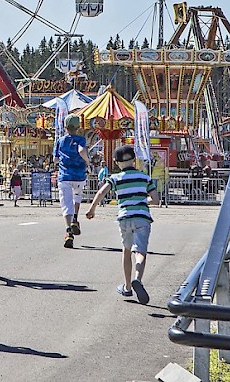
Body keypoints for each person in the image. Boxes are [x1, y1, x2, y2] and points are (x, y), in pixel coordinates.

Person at [86, 144, 159, 304]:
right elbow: (156, 200)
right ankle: (137, 279)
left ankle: (127, 287)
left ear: (116, 162)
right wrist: (142, 200)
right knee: (140, 252)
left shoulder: (115, 178)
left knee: (126, 251)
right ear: (134, 160)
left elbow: (101, 192)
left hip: (124, 217)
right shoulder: (144, 177)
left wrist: (92, 209)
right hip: (142, 217)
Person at [55, 114, 91, 248]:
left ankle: (68, 230)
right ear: (78, 127)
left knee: (66, 204)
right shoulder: (81, 139)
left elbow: (55, 159)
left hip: (65, 175)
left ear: (65, 127)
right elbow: (81, 150)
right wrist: (87, 161)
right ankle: (75, 218)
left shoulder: (60, 141)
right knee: (77, 195)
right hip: (79, 175)